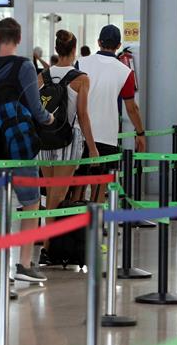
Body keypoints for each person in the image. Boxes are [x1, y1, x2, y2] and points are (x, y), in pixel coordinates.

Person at [0, 18, 54, 282]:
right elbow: (35, 107)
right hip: (20, 148)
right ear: (18, 39)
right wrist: (49, 119)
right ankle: (24, 264)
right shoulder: (24, 66)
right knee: (30, 203)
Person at [36, 30, 99, 266]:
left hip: (45, 139)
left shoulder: (42, 76)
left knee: (50, 193)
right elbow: (82, 115)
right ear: (73, 51)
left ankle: (48, 244)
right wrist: (92, 148)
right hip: (68, 140)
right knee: (58, 195)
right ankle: (47, 247)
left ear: (56, 49)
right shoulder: (81, 78)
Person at [78, 24, 146, 158]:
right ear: (119, 45)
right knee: (104, 178)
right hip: (107, 136)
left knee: (79, 179)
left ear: (98, 42)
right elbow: (131, 109)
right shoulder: (125, 72)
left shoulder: (81, 63)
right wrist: (140, 133)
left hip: (79, 135)